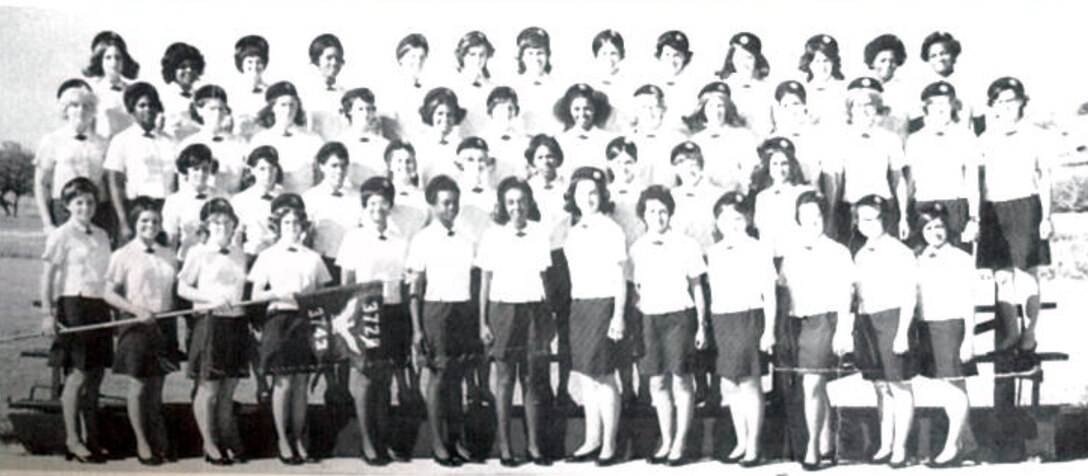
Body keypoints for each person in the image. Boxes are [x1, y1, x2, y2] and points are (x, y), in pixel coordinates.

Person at [248, 194, 332, 465]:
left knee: (301, 383)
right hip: (279, 319)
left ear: (303, 226)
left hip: (305, 321)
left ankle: (297, 437)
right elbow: (255, 294)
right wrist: (281, 293)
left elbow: (324, 293)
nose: (292, 227)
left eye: (297, 223)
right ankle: (283, 440)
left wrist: (310, 299)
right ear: (278, 225)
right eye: (287, 223)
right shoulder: (267, 256)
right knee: (283, 383)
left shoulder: (314, 258)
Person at [477, 177, 553, 466]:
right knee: (506, 379)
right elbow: (485, 282)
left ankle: (533, 445)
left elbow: (545, 279)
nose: (516, 207)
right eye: (510, 202)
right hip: (503, 311)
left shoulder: (539, 233)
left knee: (532, 380)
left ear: (529, 203)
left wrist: (547, 319)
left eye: (521, 201)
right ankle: (506, 446)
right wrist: (483, 322)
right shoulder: (492, 236)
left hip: (533, 311)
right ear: (502, 205)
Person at [335, 177, 412, 465]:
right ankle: (367, 442)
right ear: (364, 206)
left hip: (392, 312)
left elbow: (404, 282)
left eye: (383, 202)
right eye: (372, 203)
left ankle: (382, 437)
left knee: (384, 377)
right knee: (365, 379)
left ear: (390, 205)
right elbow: (346, 283)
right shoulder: (353, 238)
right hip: (363, 313)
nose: (378, 208)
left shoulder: (400, 239)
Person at [629, 185, 707, 466]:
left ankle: (680, 443)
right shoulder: (636, 248)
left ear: (670, 213)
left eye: (663, 211)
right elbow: (636, 290)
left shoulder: (686, 244)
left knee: (681, 379)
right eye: (651, 211)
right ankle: (666, 438)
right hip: (651, 318)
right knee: (657, 381)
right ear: (643, 215)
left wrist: (701, 325)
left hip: (680, 317)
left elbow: (697, 287)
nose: (658, 216)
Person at [406, 175, 481, 466]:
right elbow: (415, 288)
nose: (451, 208)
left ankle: (456, 438)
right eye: (445, 203)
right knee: (437, 378)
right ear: (433, 205)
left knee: (457, 376)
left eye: (455, 202)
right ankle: (438, 444)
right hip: (435, 312)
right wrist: (416, 329)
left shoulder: (466, 240)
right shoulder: (422, 240)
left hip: (462, 311)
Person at [977, 77, 1055, 354]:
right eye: (999, 102)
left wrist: (1046, 217)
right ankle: (1011, 333)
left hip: (1025, 206)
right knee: (1002, 277)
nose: (1005, 107)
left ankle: (1030, 334)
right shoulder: (985, 138)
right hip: (993, 209)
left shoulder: (1035, 135)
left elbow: (1044, 177)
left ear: (1022, 101)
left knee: (1026, 275)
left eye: (1011, 100)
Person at [778, 190, 854, 471]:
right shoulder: (791, 251)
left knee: (812, 383)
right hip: (796, 324)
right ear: (798, 219)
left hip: (825, 321)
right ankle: (826, 442)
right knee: (814, 385)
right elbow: (784, 290)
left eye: (817, 217)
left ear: (825, 218)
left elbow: (846, 294)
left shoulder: (838, 251)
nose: (812, 223)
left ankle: (812, 448)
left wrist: (843, 330)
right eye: (805, 217)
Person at [39, 178, 113, 463]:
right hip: (74, 304)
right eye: (79, 202)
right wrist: (48, 313)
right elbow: (48, 275)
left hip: (99, 305)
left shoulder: (103, 235)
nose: (85, 207)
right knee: (78, 374)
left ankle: (92, 437)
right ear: (67, 205)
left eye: (90, 202)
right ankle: (73, 439)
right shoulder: (61, 234)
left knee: (95, 375)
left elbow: (106, 276)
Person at [103, 196, 176, 466]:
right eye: (144, 220)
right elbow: (107, 293)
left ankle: (158, 437)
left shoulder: (168, 255)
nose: (150, 225)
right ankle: (142, 443)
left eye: (155, 220)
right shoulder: (122, 255)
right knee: (138, 384)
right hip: (135, 324)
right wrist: (136, 310)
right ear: (135, 222)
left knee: (157, 385)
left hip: (164, 324)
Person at [562, 167, 628, 467]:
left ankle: (610, 443)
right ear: (573, 197)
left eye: (593, 193)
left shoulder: (612, 230)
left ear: (602, 196)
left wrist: (618, 316)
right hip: (580, 306)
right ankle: (592, 438)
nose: (587, 199)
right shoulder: (572, 232)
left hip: (604, 306)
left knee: (603, 375)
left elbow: (619, 279)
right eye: (581, 193)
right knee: (586, 376)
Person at [177, 198, 250, 465]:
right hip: (210, 322)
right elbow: (182, 288)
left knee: (228, 388)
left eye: (226, 221)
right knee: (208, 388)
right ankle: (210, 443)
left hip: (236, 324)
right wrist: (210, 298)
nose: (221, 226)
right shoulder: (198, 252)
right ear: (207, 225)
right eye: (216, 222)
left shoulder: (240, 253)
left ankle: (226, 436)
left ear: (233, 225)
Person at [706, 191, 776, 466]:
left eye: (737, 217)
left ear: (747, 218)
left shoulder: (758, 248)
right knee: (730, 383)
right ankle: (740, 440)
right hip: (723, 320)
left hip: (749, 318)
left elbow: (769, 294)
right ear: (717, 222)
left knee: (749, 382)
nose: (732, 224)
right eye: (725, 218)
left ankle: (753, 446)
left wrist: (768, 330)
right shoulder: (713, 252)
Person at [852, 194, 917, 469]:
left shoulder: (900, 251)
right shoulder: (860, 253)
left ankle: (901, 448)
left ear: (885, 219)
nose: (868, 224)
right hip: (867, 321)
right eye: (862, 219)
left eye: (874, 218)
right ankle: (885, 444)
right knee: (880, 388)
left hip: (892, 319)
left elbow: (909, 295)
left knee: (898, 385)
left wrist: (902, 332)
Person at [914, 204, 978, 468]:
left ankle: (952, 447)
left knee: (955, 384)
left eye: (939, 226)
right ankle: (970, 443)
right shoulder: (918, 259)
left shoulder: (961, 259)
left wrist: (969, 338)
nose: (935, 233)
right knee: (945, 387)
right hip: (929, 326)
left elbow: (968, 302)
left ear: (947, 228)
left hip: (952, 326)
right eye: (928, 228)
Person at [831, 78, 908, 249]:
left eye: (869, 105)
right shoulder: (840, 140)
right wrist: (832, 215)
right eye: (858, 105)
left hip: (883, 207)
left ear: (877, 108)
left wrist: (903, 216)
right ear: (850, 110)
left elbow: (898, 180)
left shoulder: (890, 139)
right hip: (851, 209)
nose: (864, 110)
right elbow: (835, 183)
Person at [904, 81, 980, 251]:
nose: (940, 108)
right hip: (923, 204)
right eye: (934, 103)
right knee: (924, 257)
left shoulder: (966, 136)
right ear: (926, 107)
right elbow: (910, 180)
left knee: (959, 256)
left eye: (945, 103)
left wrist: (974, 218)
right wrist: (906, 213)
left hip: (956, 205)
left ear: (953, 106)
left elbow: (972, 180)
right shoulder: (915, 140)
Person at [35, 79, 112, 238]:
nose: (81, 110)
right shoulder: (52, 141)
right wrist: (47, 223)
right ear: (65, 110)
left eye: (86, 106)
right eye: (75, 105)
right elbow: (42, 184)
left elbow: (108, 184)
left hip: (97, 211)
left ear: (93, 111)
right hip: (64, 211)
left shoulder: (103, 143)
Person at [604, 137, 649, 405]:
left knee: (641, 332)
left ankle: (644, 390)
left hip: (642, 269)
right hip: (617, 273)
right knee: (620, 335)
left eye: (629, 162)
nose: (624, 167)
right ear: (610, 164)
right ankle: (626, 388)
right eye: (619, 162)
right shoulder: (605, 194)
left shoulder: (645, 192)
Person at [104, 82, 176, 242]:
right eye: (141, 105)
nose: (148, 109)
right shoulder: (121, 140)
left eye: (152, 105)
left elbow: (177, 182)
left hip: (165, 209)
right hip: (135, 210)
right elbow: (115, 184)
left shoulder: (170, 142)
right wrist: (123, 221)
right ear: (132, 110)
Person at [301, 142, 361, 284]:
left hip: (352, 265)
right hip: (323, 264)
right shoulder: (309, 198)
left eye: (343, 165)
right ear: (322, 167)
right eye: (334, 166)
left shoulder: (357, 198)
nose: (339, 171)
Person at [250, 81, 323, 194]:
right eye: (283, 105)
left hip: (306, 198)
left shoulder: (313, 139)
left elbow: (320, 177)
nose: (288, 110)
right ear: (273, 107)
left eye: (292, 105)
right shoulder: (260, 139)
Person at [685, 81, 760, 192]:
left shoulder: (743, 136)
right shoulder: (696, 140)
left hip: (736, 193)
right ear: (703, 110)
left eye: (720, 106)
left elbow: (750, 168)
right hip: (706, 193)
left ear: (727, 109)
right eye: (710, 106)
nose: (715, 111)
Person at [179, 85, 248, 195]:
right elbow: (183, 185)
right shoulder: (189, 143)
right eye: (212, 109)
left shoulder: (240, 143)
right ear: (199, 110)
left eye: (221, 109)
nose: (217, 114)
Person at [162, 143, 221, 261]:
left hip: (216, 261)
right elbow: (171, 240)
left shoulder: (222, 196)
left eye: (205, 169)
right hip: (185, 260)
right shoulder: (174, 201)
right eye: (195, 169)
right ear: (186, 171)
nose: (201, 174)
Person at [230, 145, 283, 264]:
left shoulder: (284, 196)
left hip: (280, 258)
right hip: (252, 257)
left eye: (271, 169)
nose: (268, 174)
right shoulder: (241, 200)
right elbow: (236, 237)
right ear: (253, 170)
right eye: (262, 169)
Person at [82, 31, 140, 139]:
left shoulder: (133, 92)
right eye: (108, 58)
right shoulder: (93, 92)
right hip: (104, 147)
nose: (113, 63)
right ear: (100, 61)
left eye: (118, 58)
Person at [716, 32, 773, 138]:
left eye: (749, 58)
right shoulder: (723, 88)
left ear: (757, 60)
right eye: (738, 57)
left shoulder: (768, 88)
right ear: (731, 59)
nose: (743, 63)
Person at [629, 84, 686, 186]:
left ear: (663, 109)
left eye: (654, 107)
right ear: (635, 111)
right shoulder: (628, 140)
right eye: (643, 107)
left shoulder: (678, 139)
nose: (649, 112)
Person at [555, 84, 613, 176]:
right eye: (576, 109)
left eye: (587, 109)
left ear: (595, 109)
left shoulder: (607, 139)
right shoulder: (560, 140)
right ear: (569, 111)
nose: (582, 114)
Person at [338, 88, 391, 188]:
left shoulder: (384, 144)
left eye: (369, 109)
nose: (366, 114)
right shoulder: (341, 142)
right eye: (360, 109)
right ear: (349, 111)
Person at [513, 27, 561, 135]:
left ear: (548, 55)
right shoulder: (513, 86)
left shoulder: (558, 86)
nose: (535, 58)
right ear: (522, 57)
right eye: (530, 53)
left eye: (540, 53)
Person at [414, 87, 467, 184]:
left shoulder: (463, 147)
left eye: (449, 114)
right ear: (431, 115)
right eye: (440, 114)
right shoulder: (418, 144)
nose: (445, 119)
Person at [862, 34, 910, 140]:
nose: (888, 65)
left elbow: (905, 125)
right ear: (873, 62)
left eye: (892, 61)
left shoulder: (903, 90)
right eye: (883, 60)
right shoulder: (863, 88)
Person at [300, 33, 347, 140]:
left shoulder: (345, 94)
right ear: (317, 60)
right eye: (329, 58)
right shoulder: (304, 93)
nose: (334, 63)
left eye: (338, 58)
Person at [480, 86, 530, 182]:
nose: (506, 113)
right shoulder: (482, 140)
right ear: (491, 111)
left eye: (510, 108)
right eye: (501, 108)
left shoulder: (525, 141)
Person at [158, 42, 205, 141]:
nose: (189, 70)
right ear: (172, 70)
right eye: (183, 67)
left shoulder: (203, 97)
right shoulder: (163, 97)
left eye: (193, 67)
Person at [228, 35, 271, 139]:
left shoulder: (271, 91)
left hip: (264, 139)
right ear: (241, 64)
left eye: (259, 62)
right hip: (238, 140)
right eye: (250, 62)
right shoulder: (231, 91)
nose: (254, 66)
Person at [798, 34, 845, 127]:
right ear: (809, 63)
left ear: (834, 63)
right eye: (817, 61)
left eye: (826, 61)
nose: (822, 67)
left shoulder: (844, 89)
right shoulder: (802, 90)